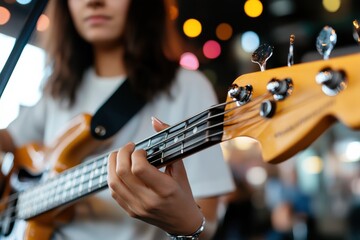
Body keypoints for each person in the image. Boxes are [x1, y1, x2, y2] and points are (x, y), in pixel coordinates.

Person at [0, 0, 235, 239]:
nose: (94, 2)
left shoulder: (188, 87)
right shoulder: (58, 87)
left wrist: (185, 223)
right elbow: (10, 138)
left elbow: (209, 222)